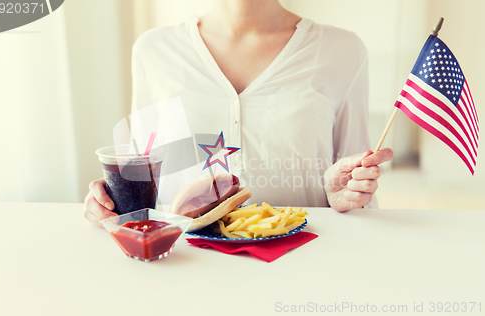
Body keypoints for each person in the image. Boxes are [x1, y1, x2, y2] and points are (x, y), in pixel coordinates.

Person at [84, 0, 393, 227]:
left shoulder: (343, 50)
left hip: (303, 262)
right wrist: (113, 204)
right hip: (187, 267)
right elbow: (141, 178)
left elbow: (360, 185)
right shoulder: (153, 50)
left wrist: (347, 198)